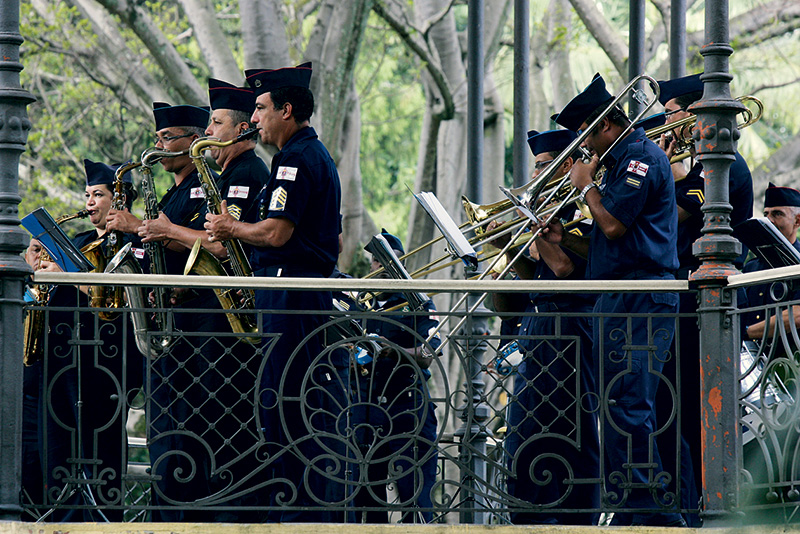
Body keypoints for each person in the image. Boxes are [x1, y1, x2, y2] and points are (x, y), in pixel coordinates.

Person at [542, 73, 684, 526]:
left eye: (585, 134)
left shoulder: (640, 157)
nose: (583, 147)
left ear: (606, 124)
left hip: (643, 294)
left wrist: (585, 185)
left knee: (632, 402)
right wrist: (562, 239)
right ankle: (629, 500)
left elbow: (615, 226)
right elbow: (609, 243)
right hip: (618, 295)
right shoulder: (618, 161)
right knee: (615, 403)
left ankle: (649, 509)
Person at [204, 62, 344, 522]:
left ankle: (297, 516)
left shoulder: (294, 159)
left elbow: (278, 234)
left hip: (290, 296)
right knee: (295, 403)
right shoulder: (308, 154)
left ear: (287, 109)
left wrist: (230, 226)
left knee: (285, 405)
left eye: (261, 108)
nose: (256, 117)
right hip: (295, 294)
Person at [654, 72, 754, 526]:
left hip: (703, 308)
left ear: (696, 115)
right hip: (684, 305)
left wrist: (664, 166)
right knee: (670, 409)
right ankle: (679, 499)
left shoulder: (721, 164)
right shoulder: (697, 166)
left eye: (671, 114)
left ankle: (699, 507)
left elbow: (675, 214)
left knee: (693, 411)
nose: (665, 122)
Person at [490, 130, 600, 524]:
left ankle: (578, 519)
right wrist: (505, 249)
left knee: (575, 428)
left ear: (566, 166)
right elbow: (526, 281)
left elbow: (564, 269)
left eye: (542, 166)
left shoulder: (585, 209)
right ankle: (527, 515)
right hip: (538, 327)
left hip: (572, 326)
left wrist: (538, 237)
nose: (535, 176)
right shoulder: (544, 214)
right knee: (524, 431)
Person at [34, 159, 143, 521]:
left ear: (119, 200)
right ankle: (59, 518)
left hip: (107, 363)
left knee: (100, 445)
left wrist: (67, 275)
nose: (90, 202)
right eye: (87, 195)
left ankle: (103, 520)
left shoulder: (132, 243)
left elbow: (117, 297)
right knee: (58, 445)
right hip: (63, 359)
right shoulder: (78, 242)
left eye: (98, 194)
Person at [348, 230, 440, 523]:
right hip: (366, 408)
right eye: (375, 261)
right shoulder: (361, 302)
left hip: (407, 407)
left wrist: (394, 350)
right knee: (365, 503)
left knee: (415, 499)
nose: (379, 267)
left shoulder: (418, 301)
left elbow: (428, 352)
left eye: (387, 261)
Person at [741, 183, 800, 340]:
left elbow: (797, 314)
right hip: (750, 358)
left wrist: (745, 333)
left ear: (797, 220)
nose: (769, 220)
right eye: (766, 214)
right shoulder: (751, 267)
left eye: (777, 214)